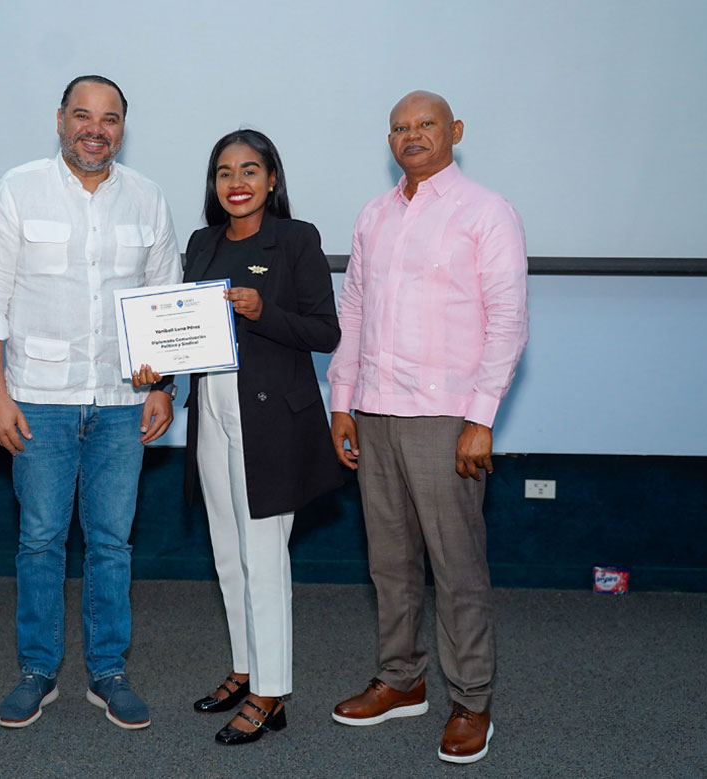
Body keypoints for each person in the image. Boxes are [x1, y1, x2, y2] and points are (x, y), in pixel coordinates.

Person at [0, 75, 181, 731]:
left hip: (121, 404)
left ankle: (108, 672)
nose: (95, 128)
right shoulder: (16, 189)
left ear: (122, 127)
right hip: (37, 401)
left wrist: (163, 387)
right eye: (82, 115)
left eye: (109, 118)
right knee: (39, 540)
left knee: (112, 543)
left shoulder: (147, 198)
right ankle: (37, 670)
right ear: (60, 121)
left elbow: (166, 301)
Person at [326, 91, 528, 764]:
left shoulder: (484, 212)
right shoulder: (373, 216)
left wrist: (481, 417)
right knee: (389, 565)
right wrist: (342, 399)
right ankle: (401, 678)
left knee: (456, 566)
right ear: (389, 140)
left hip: (446, 418)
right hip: (377, 413)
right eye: (400, 127)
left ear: (454, 132)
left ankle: (471, 700)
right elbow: (353, 310)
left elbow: (508, 320)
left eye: (426, 125)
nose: (412, 136)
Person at [133, 129, 342, 745]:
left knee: (264, 557)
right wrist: (158, 373)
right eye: (224, 172)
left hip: (273, 420)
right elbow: (176, 327)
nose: (237, 183)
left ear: (272, 179)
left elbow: (324, 332)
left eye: (250, 170)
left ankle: (272, 694)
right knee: (228, 553)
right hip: (212, 411)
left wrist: (261, 311)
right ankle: (247, 668)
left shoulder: (296, 239)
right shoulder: (201, 243)